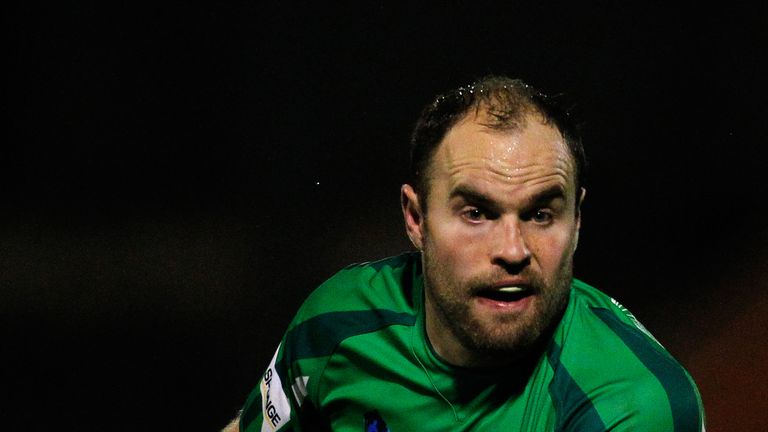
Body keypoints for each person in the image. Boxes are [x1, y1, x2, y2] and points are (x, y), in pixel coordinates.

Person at [223, 76, 705, 431]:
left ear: (577, 221)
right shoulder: (336, 326)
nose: (513, 251)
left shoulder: (632, 406)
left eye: (541, 215)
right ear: (416, 219)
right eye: (476, 213)